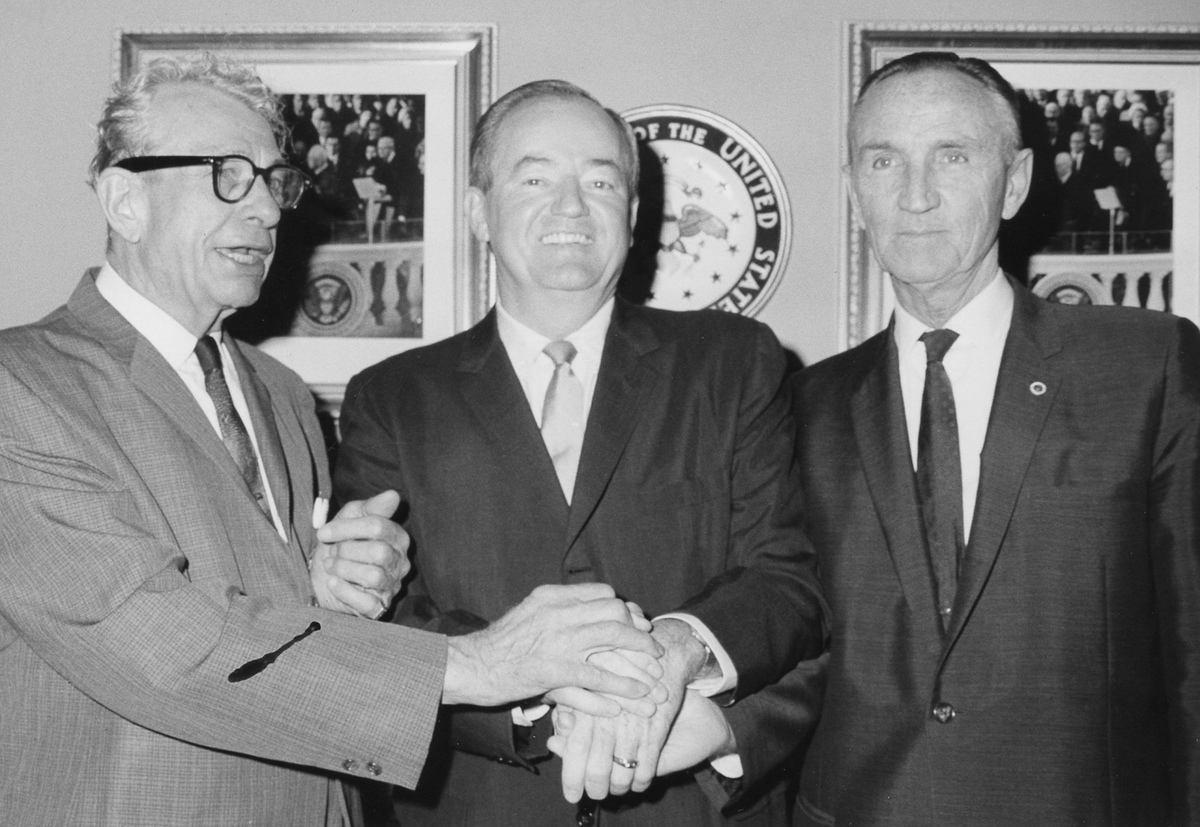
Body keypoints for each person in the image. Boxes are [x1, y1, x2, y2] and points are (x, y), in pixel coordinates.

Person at [0, 54, 669, 827]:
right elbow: (163, 645)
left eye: (273, 181)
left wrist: (328, 588)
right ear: (124, 199)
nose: (265, 210)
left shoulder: (280, 396)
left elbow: (277, 631)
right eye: (227, 174)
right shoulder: (22, 389)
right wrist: (482, 663)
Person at [667, 50, 1200, 826]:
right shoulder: (806, 404)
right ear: (854, 191)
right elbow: (808, 636)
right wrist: (722, 723)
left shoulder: (1146, 367)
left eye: (952, 155)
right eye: (884, 160)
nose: (915, 195)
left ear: (1013, 182)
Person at [334, 79, 827, 826]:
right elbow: (379, 624)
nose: (571, 206)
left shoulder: (734, 364)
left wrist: (679, 647)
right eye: (535, 178)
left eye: (600, 181)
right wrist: (536, 703)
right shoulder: (391, 398)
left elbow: (787, 583)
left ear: (631, 215)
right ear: (477, 211)